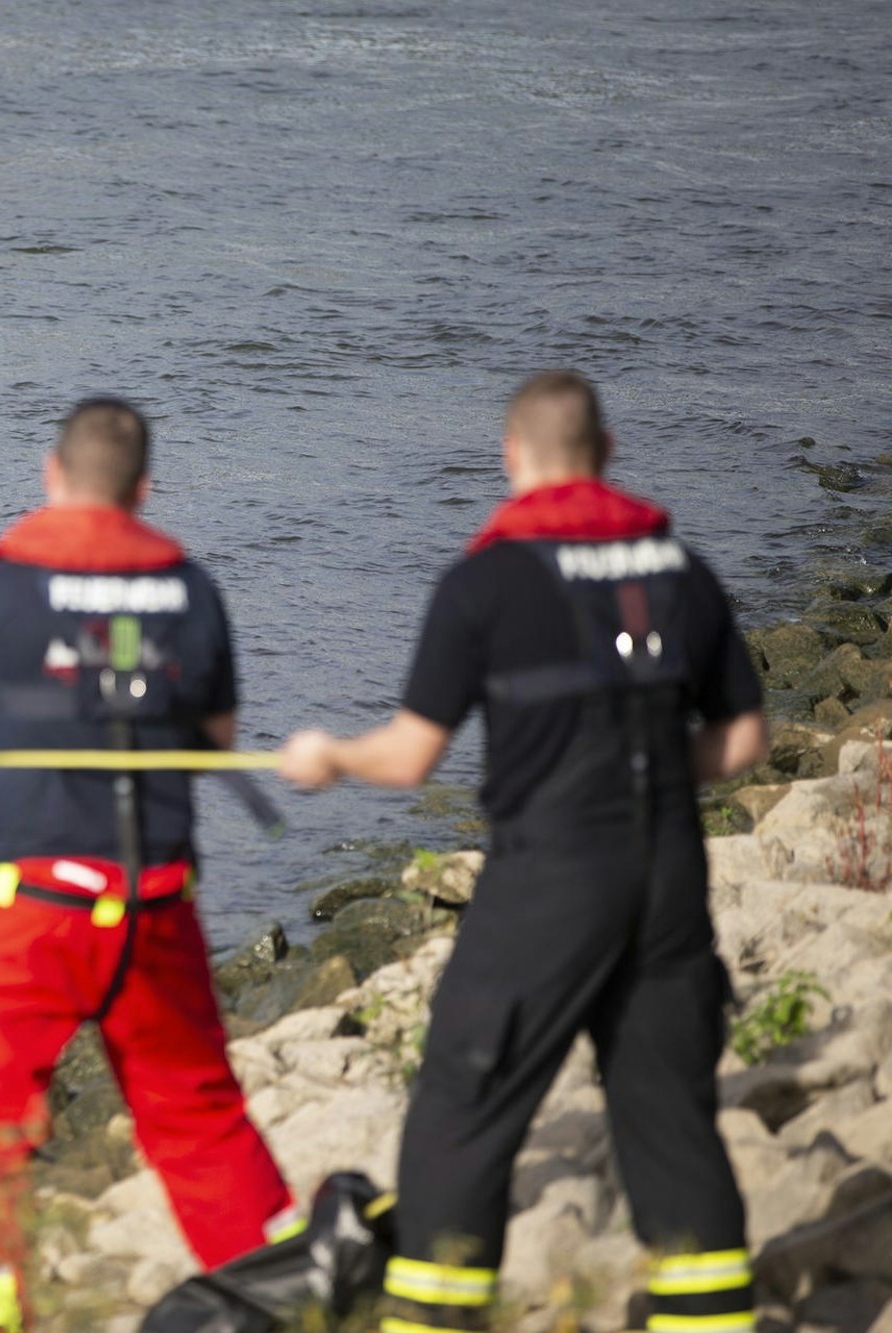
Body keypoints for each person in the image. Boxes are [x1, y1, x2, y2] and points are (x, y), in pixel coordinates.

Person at [278, 371, 768, 1333]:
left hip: (551, 876)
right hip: (668, 869)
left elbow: (411, 755)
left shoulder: (485, 582)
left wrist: (329, 755)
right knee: (671, 1119)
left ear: (511, 458)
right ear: (607, 453)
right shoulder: (680, 566)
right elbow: (745, 739)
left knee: (462, 1106)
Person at [0, 398, 294, 1333]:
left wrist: (29, 714)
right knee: (199, 1118)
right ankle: (278, 1297)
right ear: (143, 488)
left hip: (28, 903)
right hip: (154, 900)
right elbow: (217, 736)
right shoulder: (191, 588)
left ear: (52, 474)